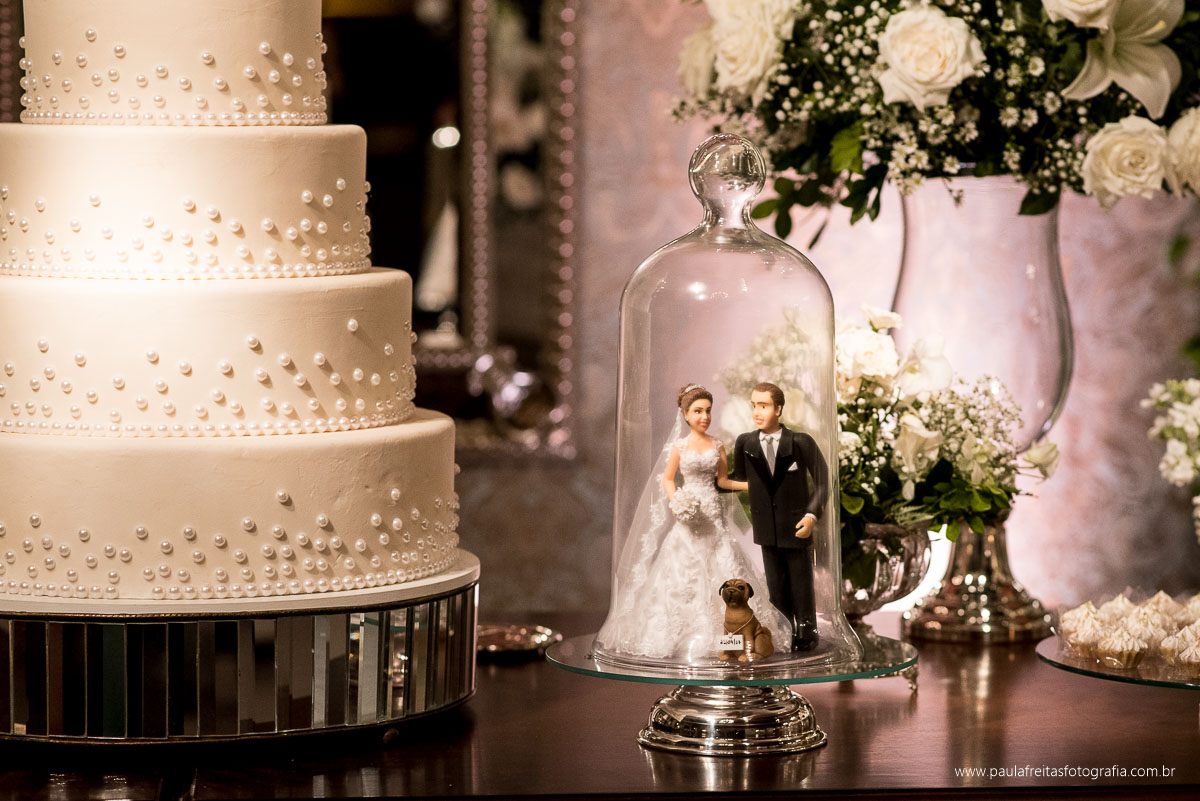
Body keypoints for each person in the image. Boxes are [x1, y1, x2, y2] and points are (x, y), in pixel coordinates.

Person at [596, 384, 788, 662]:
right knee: (681, 575)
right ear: (685, 415)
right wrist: (677, 501)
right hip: (688, 517)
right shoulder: (680, 446)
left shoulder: (718, 445)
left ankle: (730, 640)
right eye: (698, 411)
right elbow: (667, 478)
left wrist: (753, 486)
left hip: (712, 516)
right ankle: (686, 635)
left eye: (708, 411)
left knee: (724, 563)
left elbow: (722, 481)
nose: (704, 417)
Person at [732, 382, 829, 651]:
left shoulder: (800, 442)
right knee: (775, 586)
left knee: (801, 582)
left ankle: (807, 632)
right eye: (754, 405)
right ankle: (783, 631)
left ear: (779, 408)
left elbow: (823, 481)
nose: (757, 412)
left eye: (763, 405)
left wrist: (811, 515)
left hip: (797, 524)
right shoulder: (746, 442)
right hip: (767, 528)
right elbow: (738, 481)